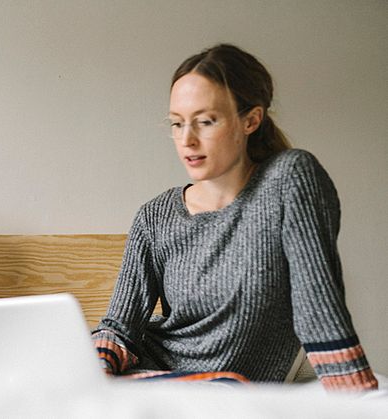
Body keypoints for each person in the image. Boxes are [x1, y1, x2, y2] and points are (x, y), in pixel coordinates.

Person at [92, 44, 378, 391]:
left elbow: (317, 305)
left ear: (251, 120)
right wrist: (92, 368)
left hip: (221, 389)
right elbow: (121, 327)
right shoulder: (154, 217)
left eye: (206, 121)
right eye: (177, 124)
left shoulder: (289, 179)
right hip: (155, 376)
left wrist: (356, 399)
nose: (187, 140)